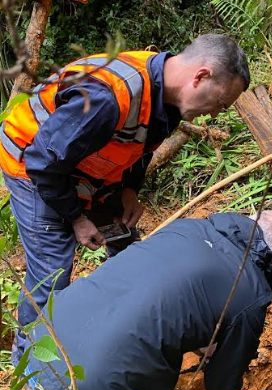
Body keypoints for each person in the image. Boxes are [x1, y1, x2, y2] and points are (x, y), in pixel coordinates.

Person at [0, 34, 250, 362]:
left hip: (81, 166)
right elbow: (43, 162)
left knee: (124, 240)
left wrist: (129, 190)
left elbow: (139, 146)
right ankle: (31, 369)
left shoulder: (167, 98)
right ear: (200, 76)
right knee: (52, 270)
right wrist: (76, 218)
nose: (215, 114)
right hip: (31, 164)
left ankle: (127, 325)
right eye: (220, 103)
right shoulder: (109, 97)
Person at [26, 210, 272, 390]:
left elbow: (162, 296)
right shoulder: (251, 294)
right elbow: (220, 387)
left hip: (40, 345)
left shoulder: (187, 227)